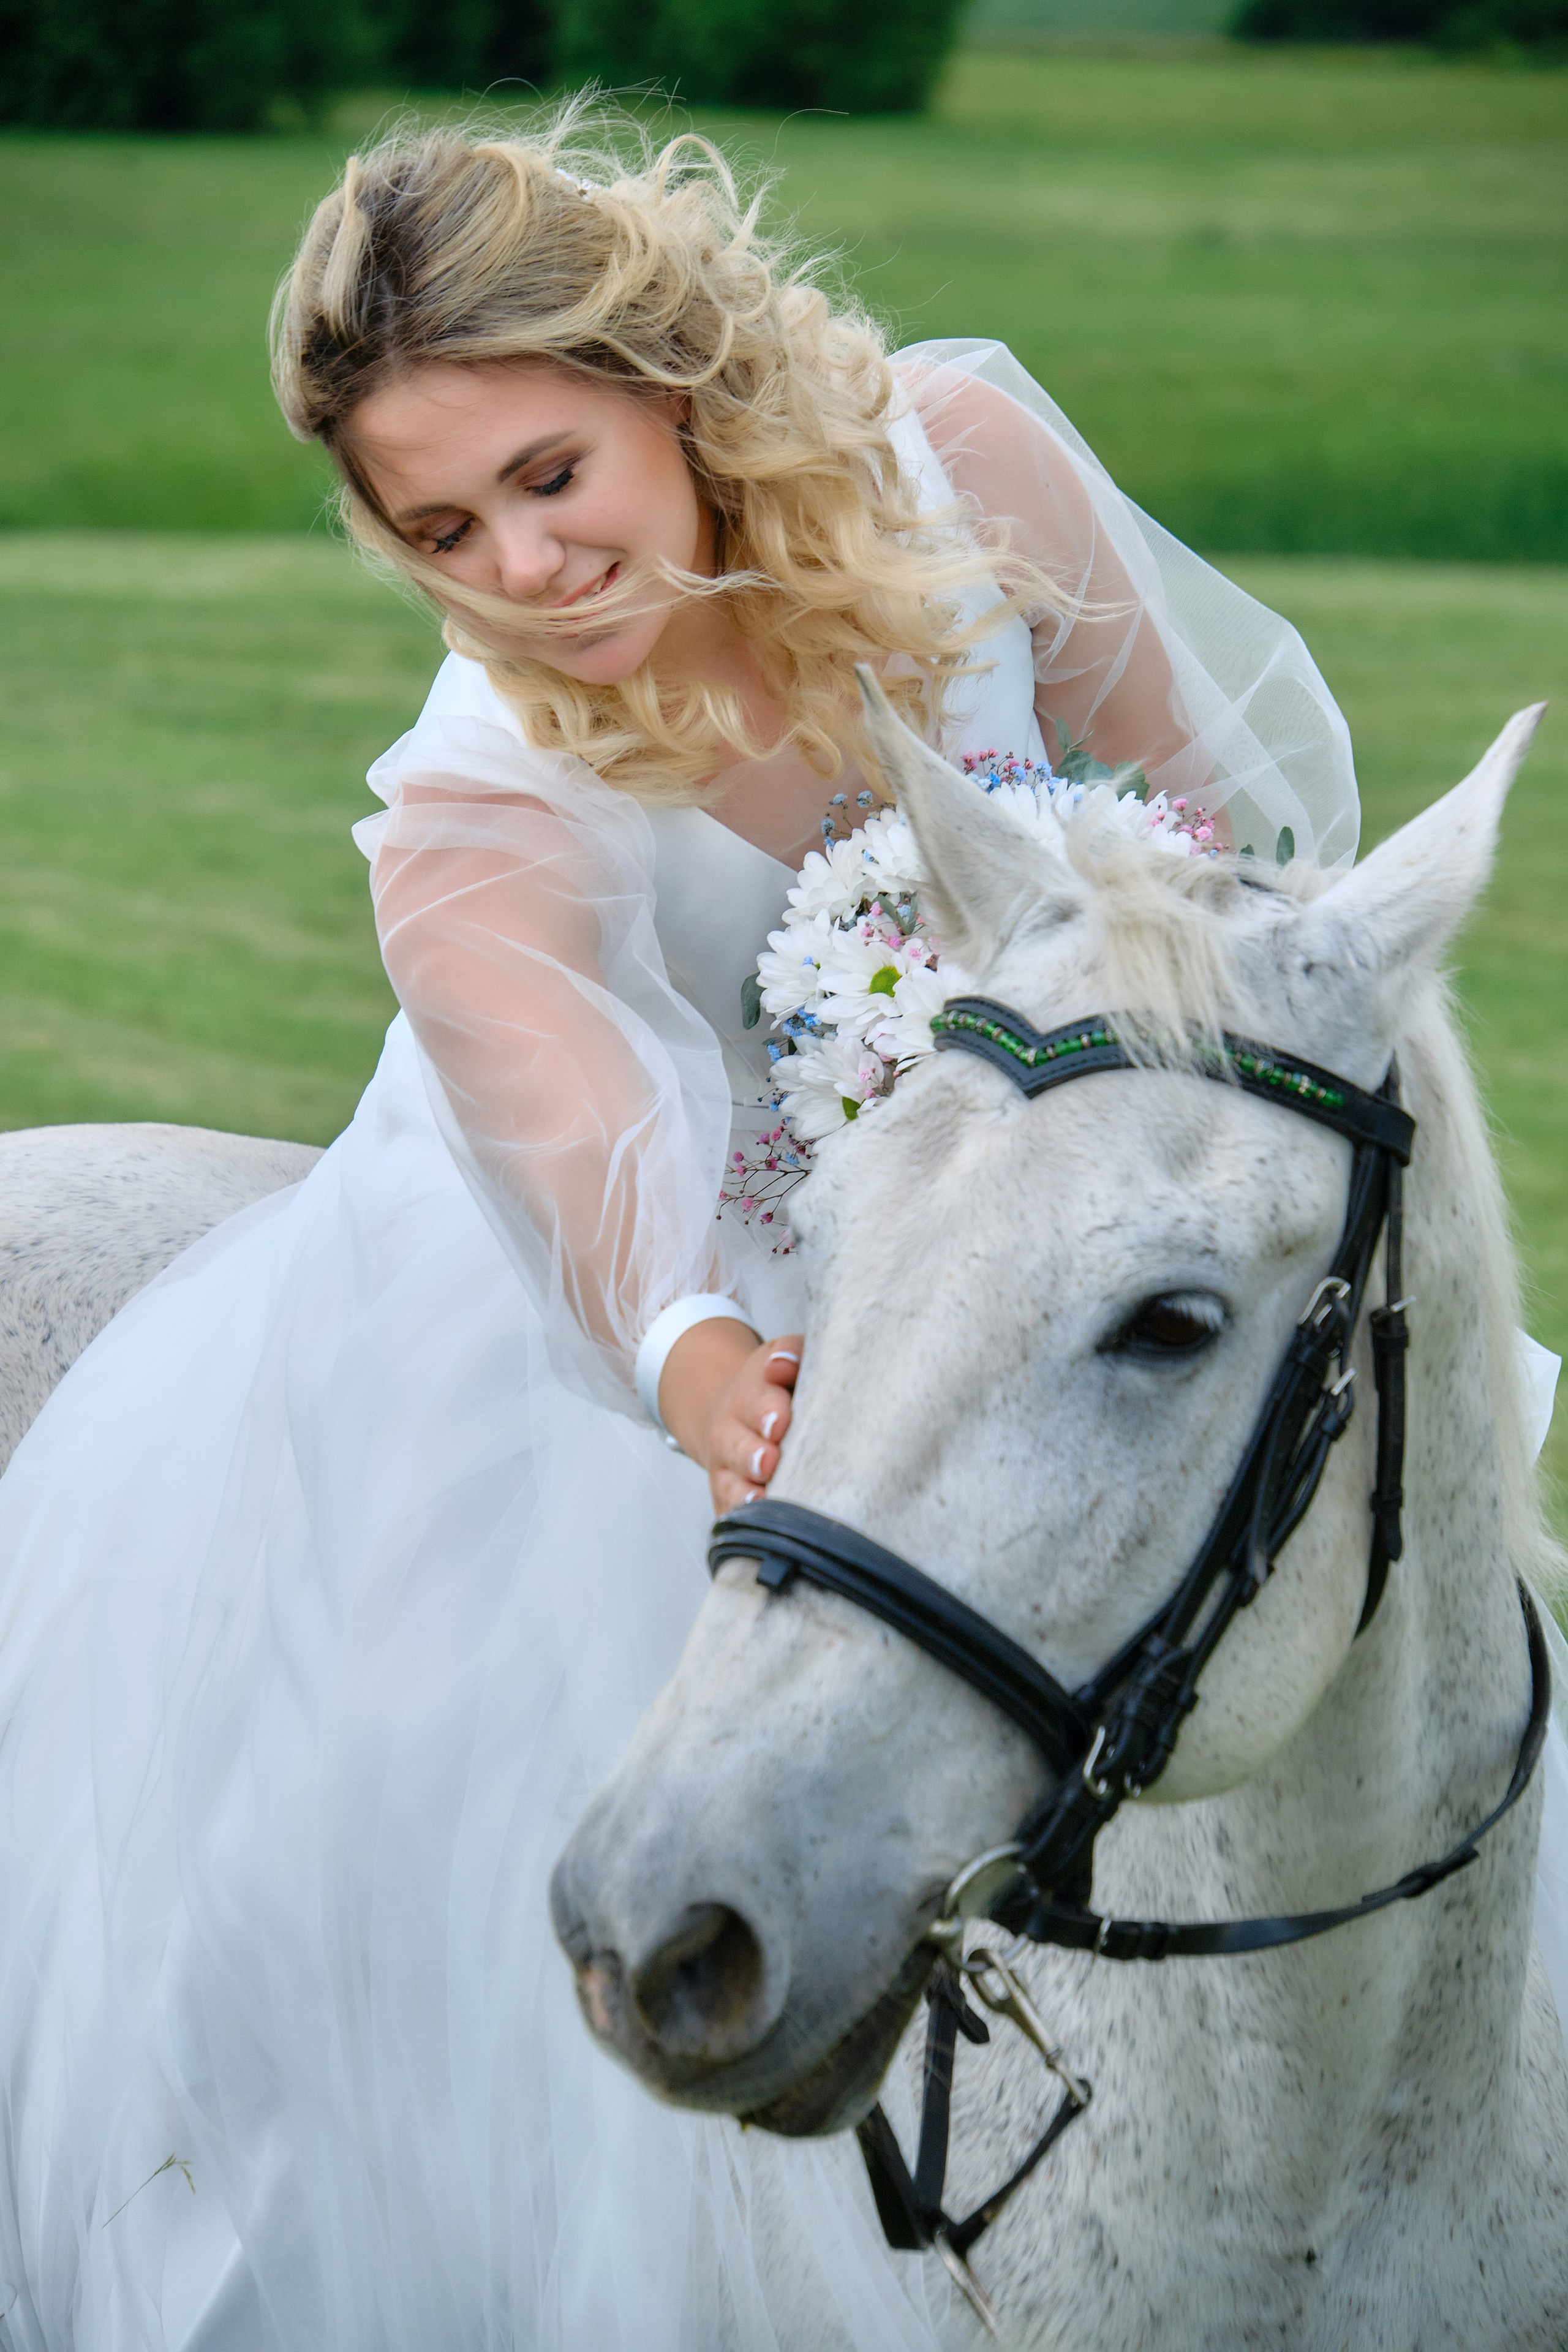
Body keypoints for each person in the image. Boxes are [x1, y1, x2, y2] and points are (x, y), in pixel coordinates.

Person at [0, 107, 1554, 2351]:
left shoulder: (970, 469)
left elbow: (1202, 861)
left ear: (668, 383)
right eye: (438, 527)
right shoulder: (468, 811)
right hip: (694, 1297)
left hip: (1064, 1229)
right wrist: (721, 1379)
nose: (521, 566)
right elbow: (585, 1172)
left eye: (553, 475)